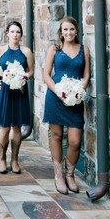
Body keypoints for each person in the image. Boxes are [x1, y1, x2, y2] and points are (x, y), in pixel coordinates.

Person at [43, 16, 90, 194]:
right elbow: (46, 74)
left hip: (75, 98)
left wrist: (78, 91)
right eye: (65, 30)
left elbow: (86, 75)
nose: (68, 32)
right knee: (56, 135)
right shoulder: (54, 50)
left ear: (76, 31)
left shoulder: (84, 50)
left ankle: (70, 174)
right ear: (60, 33)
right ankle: (59, 175)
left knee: (75, 141)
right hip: (56, 97)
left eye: (71, 29)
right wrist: (59, 91)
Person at [0, 20, 34, 175]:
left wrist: (22, 76)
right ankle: (1, 158)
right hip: (4, 92)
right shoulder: (0, 51)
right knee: (5, 127)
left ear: (21, 35)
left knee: (17, 126)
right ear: (7, 33)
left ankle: (14, 159)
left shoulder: (26, 52)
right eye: (13, 31)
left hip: (20, 92)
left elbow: (31, 72)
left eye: (18, 32)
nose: (15, 35)